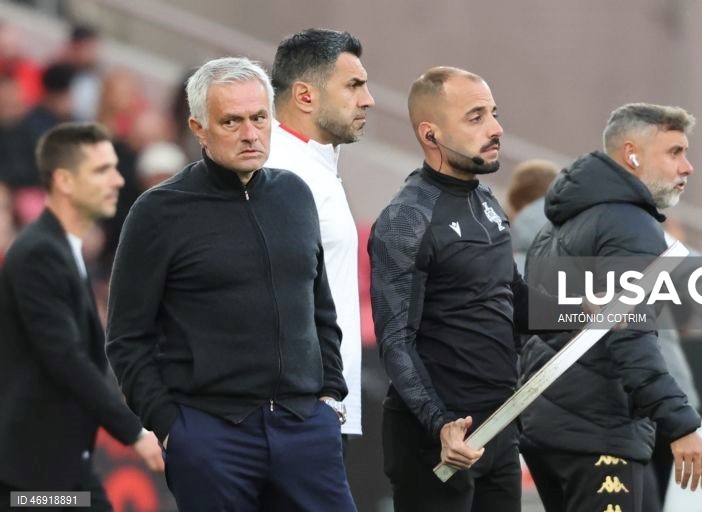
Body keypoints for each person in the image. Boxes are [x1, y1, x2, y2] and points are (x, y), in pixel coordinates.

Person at [106, 57, 356, 512]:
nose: (250, 133)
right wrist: (172, 428)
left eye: (259, 118)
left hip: (306, 429)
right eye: (231, 121)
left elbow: (320, 307)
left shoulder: (295, 195)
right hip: (211, 436)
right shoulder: (158, 212)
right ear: (198, 128)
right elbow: (126, 337)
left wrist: (330, 396)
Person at [369, 66, 545, 512]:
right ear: (431, 134)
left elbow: (513, 296)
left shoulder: (485, 201)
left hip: (499, 428)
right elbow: (395, 340)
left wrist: (581, 315)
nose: (496, 128)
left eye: (494, 114)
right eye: (476, 117)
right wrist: (440, 423)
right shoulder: (407, 217)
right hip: (438, 443)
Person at [519, 103, 702, 512]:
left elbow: (547, 320)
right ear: (632, 155)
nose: (687, 167)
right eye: (674, 152)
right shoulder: (629, 224)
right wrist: (680, 424)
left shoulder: (558, 222)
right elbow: (630, 335)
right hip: (598, 431)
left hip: (547, 432)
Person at [0, 122, 163, 511]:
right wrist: (134, 431)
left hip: (62, 467)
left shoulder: (63, 249)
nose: (118, 180)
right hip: (31, 477)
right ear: (65, 181)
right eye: (102, 170)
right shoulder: (39, 253)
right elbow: (66, 358)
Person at [266, 28, 375, 443]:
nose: (368, 99)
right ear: (305, 96)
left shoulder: (317, 164)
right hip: (296, 411)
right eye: (353, 85)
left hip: (324, 406)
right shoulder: (277, 171)